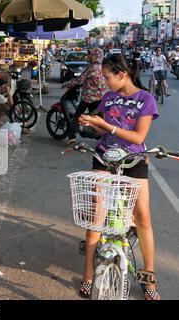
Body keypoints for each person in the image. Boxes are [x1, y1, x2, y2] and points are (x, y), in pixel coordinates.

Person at [77, 53, 160, 300]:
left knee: (143, 217)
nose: (105, 83)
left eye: (107, 77)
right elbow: (99, 124)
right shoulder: (108, 97)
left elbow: (138, 138)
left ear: (121, 74)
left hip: (133, 160)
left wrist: (106, 126)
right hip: (104, 156)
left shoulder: (145, 99)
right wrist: (90, 122)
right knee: (97, 216)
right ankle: (88, 277)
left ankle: (149, 278)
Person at [62, 48, 108, 145]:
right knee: (95, 118)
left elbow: (80, 80)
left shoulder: (92, 67)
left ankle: (72, 136)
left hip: (89, 98)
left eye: (90, 54)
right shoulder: (103, 67)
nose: (88, 56)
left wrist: (67, 83)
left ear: (95, 56)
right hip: (100, 98)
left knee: (77, 117)